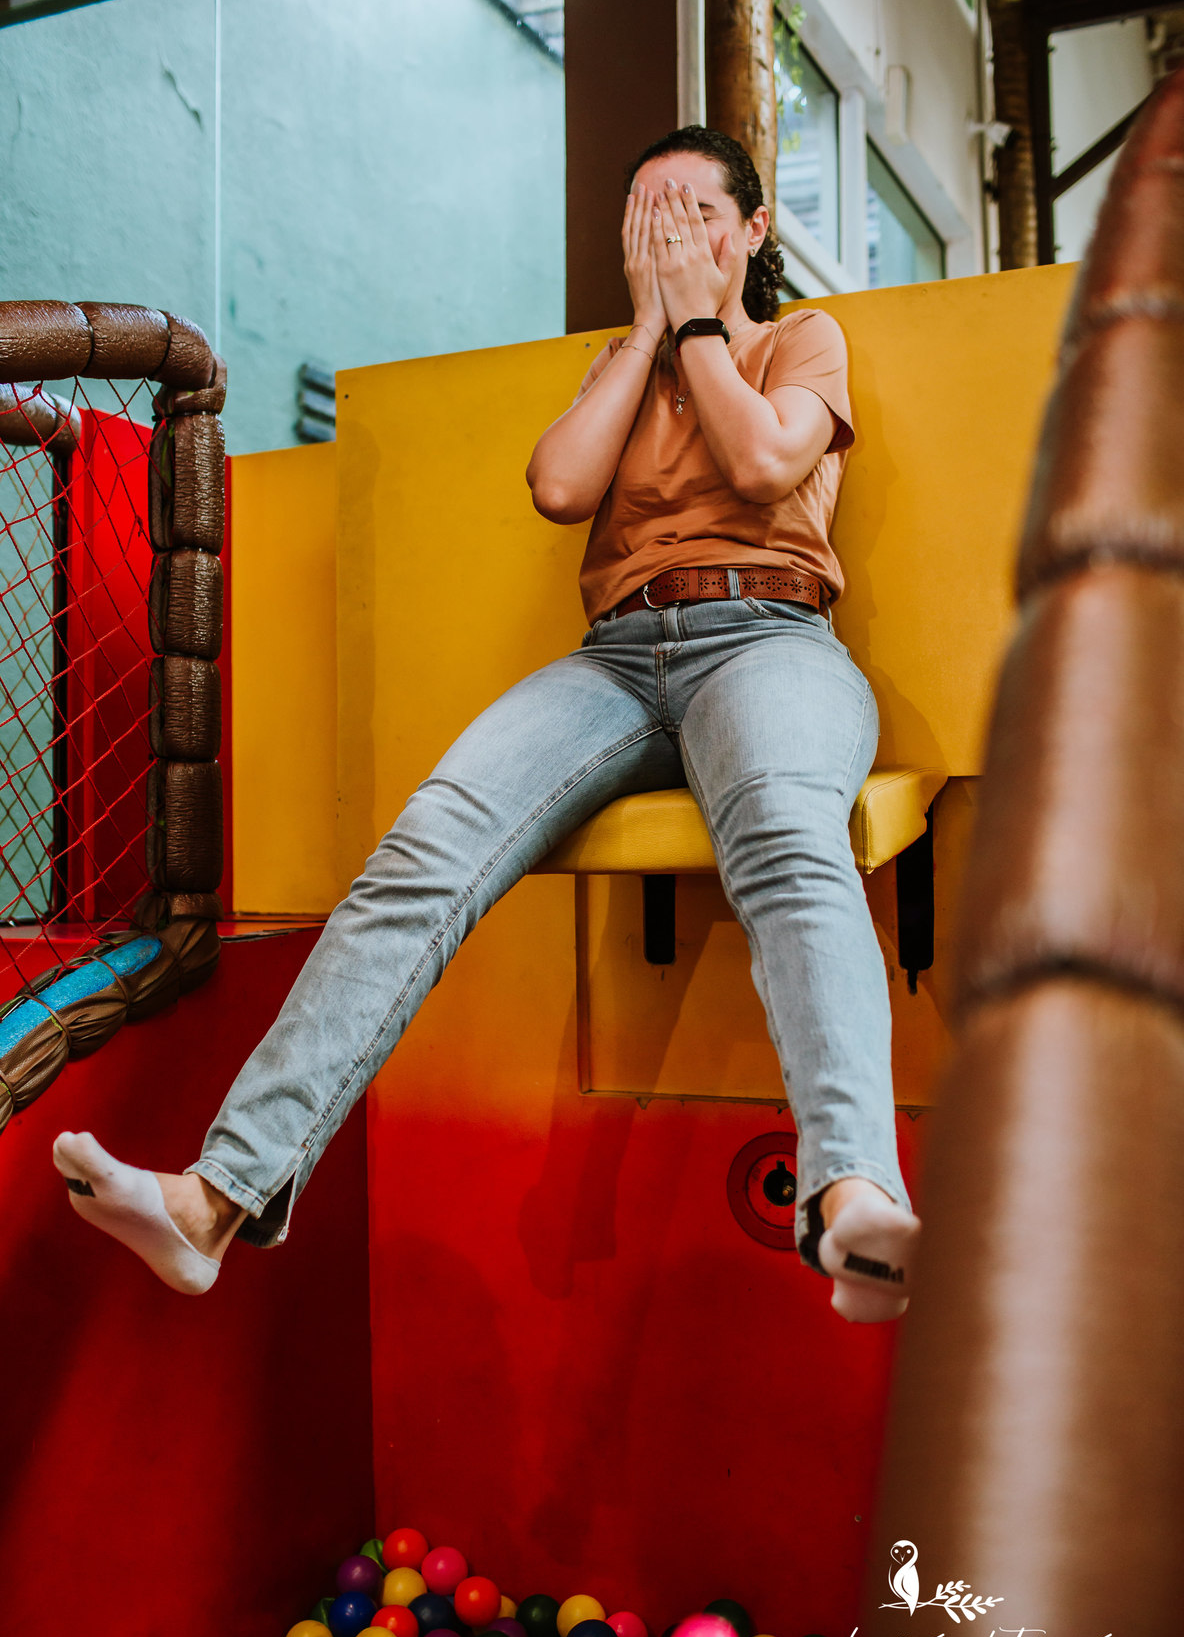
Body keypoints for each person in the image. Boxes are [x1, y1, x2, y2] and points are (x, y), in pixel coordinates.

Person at [53, 125, 921, 1322]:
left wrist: (706, 323)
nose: (669, 237)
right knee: (423, 851)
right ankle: (212, 1202)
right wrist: (653, 330)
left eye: (694, 215)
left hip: (767, 639)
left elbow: (769, 464)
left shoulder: (798, 339)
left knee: (784, 838)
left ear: (753, 232)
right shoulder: (625, 359)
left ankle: (851, 1194)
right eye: (646, 218)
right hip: (617, 659)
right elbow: (561, 487)